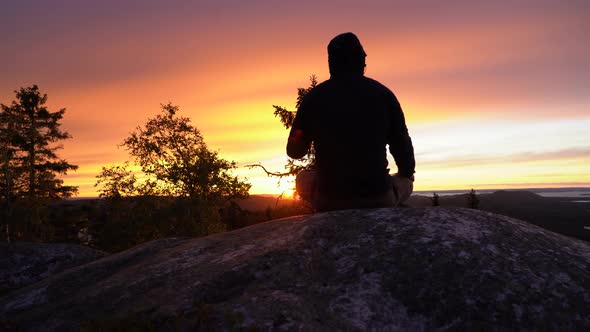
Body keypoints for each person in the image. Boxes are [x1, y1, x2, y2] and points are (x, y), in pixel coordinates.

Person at [287, 32, 415, 212]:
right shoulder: (384, 95)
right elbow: (403, 150)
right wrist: (406, 174)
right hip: (378, 197)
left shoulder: (313, 99)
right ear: (361, 61)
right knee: (406, 180)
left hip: (327, 200)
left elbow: (294, 151)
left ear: (332, 62)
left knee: (302, 178)